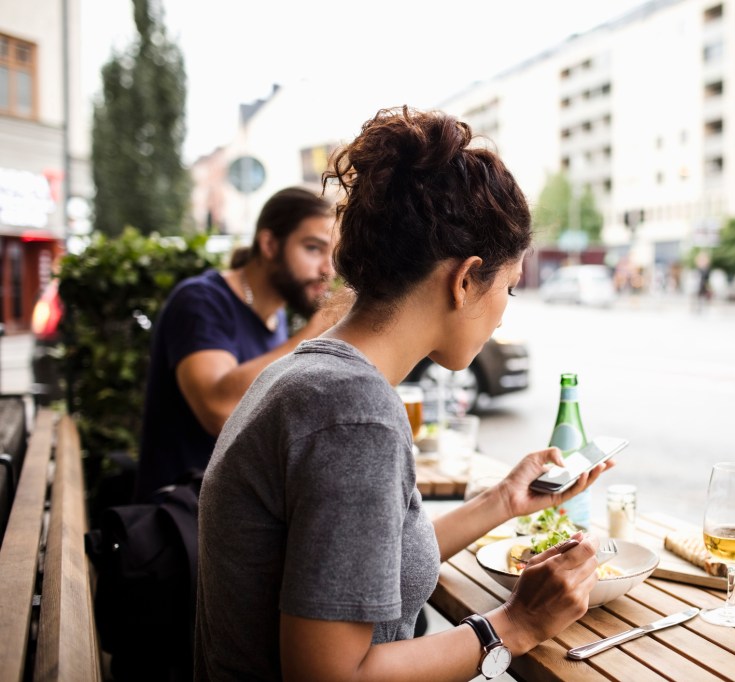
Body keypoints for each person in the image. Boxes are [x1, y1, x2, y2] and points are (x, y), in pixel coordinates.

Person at [195, 106, 612, 681]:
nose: (501, 317)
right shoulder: (352, 413)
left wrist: (502, 502)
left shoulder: (309, 375)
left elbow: (360, 561)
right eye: (508, 289)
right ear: (465, 280)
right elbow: (331, 677)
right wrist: (515, 625)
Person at [134, 187, 350, 503]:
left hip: (232, 511)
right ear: (269, 244)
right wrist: (315, 331)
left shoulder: (274, 318)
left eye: (331, 255)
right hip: (178, 521)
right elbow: (218, 410)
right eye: (313, 248)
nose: (327, 270)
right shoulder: (200, 301)